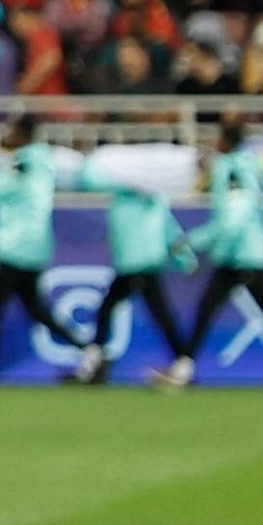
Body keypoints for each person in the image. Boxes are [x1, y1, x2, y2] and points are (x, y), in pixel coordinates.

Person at [0, 116, 96, 384]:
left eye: (10, 131)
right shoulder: (42, 163)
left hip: (15, 248)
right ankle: (89, 351)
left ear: (23, 135)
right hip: (35, 248)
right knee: (35, 310)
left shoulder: (20, 165)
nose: (5, 136)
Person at [189, 118, 263, 389]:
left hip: (241, 254)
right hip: (248, 252)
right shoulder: (248, 163)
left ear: (226, 141)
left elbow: (233, 216)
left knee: (211, 309)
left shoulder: (231, 169)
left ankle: (184, 364)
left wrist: (195, 240)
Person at [90, 158, 198, 386]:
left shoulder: (123, 197)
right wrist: (184, 258)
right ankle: (182, 362)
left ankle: (95, 362)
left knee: (111, 310)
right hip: (144, 262)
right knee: (156, 313)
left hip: (134, 264)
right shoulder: (152, 197)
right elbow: (170, 229)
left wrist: (184, 257)